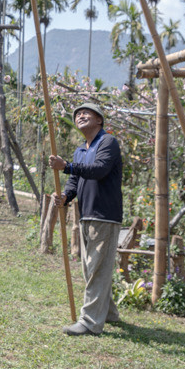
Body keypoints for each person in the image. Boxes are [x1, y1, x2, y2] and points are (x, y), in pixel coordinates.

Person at [49, 102, 123, 337]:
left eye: (86, 113)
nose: (80, 115)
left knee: (97, 269)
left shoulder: (107, 142)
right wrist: (65, 197)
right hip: (87, 214)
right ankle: (108, 313)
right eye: (77, 114)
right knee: (91, 269)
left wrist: (67, 166)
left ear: (99, 120)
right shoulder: (80, 150)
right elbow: (74, 182)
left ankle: (90, 322)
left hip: (105, 215)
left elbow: (99, 169)